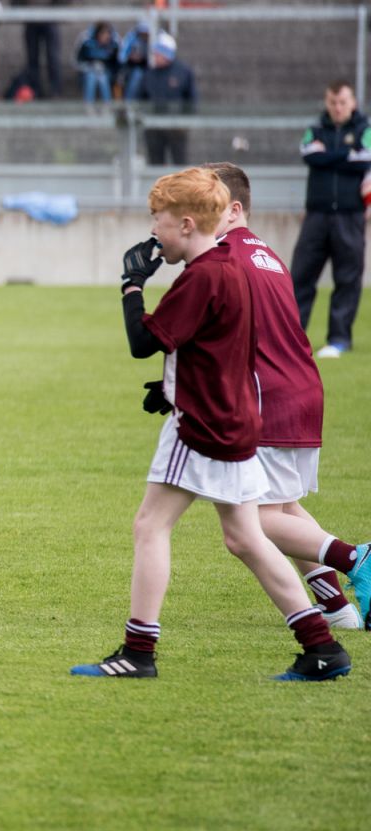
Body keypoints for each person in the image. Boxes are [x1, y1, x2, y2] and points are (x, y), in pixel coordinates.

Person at [72, 167, 351, 681]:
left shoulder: (202, 274)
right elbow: (220, 350)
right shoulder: (232, 266)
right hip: (237, 422)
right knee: (247, 538)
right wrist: (172, 387)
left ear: (184, 224)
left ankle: (138, 652)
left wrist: (131, 286)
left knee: (150, 526)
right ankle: (322, 648)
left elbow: (144, 342)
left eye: (156, 220)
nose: (152, 231)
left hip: (201, 428)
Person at [200, 162, 369, 629]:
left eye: (206, 201)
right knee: (286, 507)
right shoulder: (264, 253)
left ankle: (358, 558)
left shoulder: (224, 258)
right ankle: (337, 609)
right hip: (301, 392)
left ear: (234, 209)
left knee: (248, 525)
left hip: (268, 398)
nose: (197, 211)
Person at [290, 80, 371, 359]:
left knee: (347, 277)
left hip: (350, 216)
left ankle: (338, 339)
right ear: (327, 103)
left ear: (353, 103)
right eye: (333, 102)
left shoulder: (366, 130)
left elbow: (365, 159)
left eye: (343, 102)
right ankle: (292, 337)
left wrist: (330, 156)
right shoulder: (314, 130)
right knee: (300, 275)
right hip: (316, 215)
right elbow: (311, 156)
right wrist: (346, 156)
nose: (338, 108)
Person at [140, 33, 196, 165]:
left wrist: (185, 121)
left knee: (180, 162)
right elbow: (141, 98)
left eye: (158, 53)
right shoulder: (149, 74)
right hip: (153, 127)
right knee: (155, 162)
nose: (155, 56)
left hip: (176, 127)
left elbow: (192, 99)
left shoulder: (183, 72)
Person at [17, 0, 62, 99]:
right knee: (32, 59)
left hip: (51, 17)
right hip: (31, 18)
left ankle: (55, 92)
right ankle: (35, 92)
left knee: (53, 58)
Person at [75, 22, 117, 107]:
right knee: (91, 76)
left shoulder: (114, 44)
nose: (107, 36)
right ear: (98, 34)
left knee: (102, 77)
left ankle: (107, 106)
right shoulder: (86, 43)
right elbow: (77, 61)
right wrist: (89, 66)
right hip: (87, 72)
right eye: (104, 33)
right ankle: (88, 106)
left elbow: (117, 64)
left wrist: (105, 68)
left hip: (107, 73)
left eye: (108, 33)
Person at [116, 20, 151, 102]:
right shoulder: (131, 37)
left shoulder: (156, 37)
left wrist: (144, 58)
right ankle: (129, 104)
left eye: (146, 33)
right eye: (142, 32)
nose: (144, 35)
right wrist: (131, 57)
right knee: (137, 75)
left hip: (152, 69)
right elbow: (121, 57)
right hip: (132, 68)